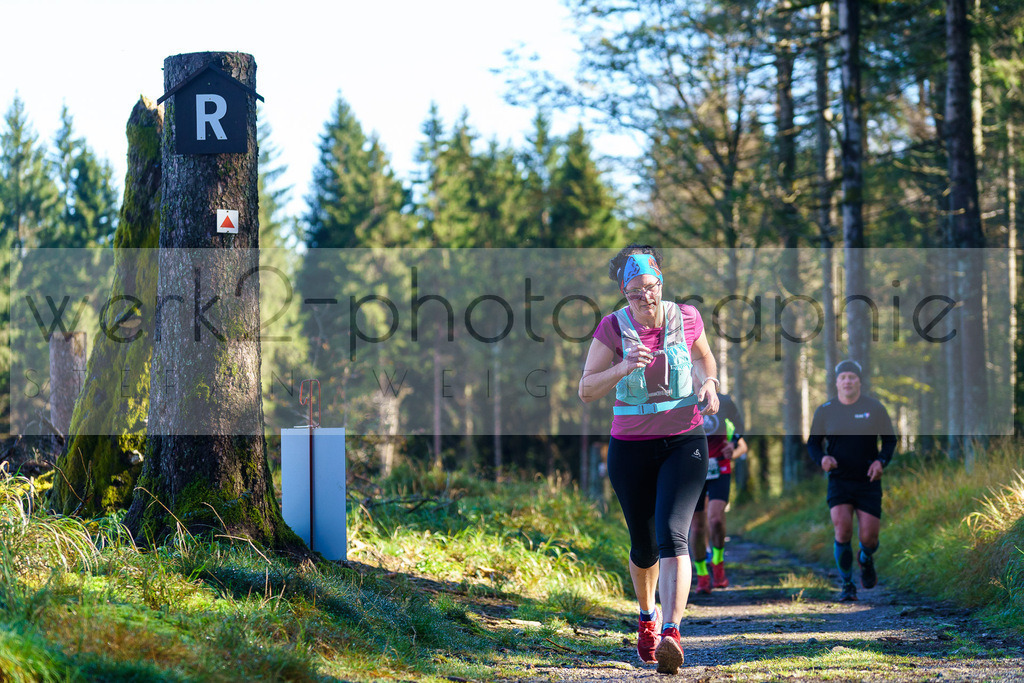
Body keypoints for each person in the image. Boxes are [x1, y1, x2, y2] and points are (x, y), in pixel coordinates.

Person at [578, 245, 720, 675]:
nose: (645, 298)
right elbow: (585, 389)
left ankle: (673, 633)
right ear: (624, 294)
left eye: (651, 288)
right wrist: (622, 368)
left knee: (673, 535)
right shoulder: (611, 328)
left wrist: (710, 382)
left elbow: (703, 356)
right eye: (635, 292)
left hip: (684, 441)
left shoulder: (688, 316)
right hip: (631, 448)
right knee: (643, 546)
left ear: (661, 283)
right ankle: (647, 618)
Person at [807, 360, 897, 602]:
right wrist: (823, 459)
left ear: (859, 381)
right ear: (837, 382)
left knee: (869, 538)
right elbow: (813, 443)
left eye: (852, 377)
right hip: (839, 480)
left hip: (868, 481)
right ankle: (847, 584)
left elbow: (890, 441)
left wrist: (881, 462)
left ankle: (866, 559)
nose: (847, 381)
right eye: (843, 377)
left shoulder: (875, 408)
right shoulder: (825, 410)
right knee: (843, 529)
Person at [690, 393, 747, 594]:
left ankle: (718, 564)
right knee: (696, 527)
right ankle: (702, 576)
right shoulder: (682, 399)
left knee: (715, 519)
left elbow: (740, 427)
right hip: (693, 469)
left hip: (719, 468)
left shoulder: (724, 401)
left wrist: (734, 444)